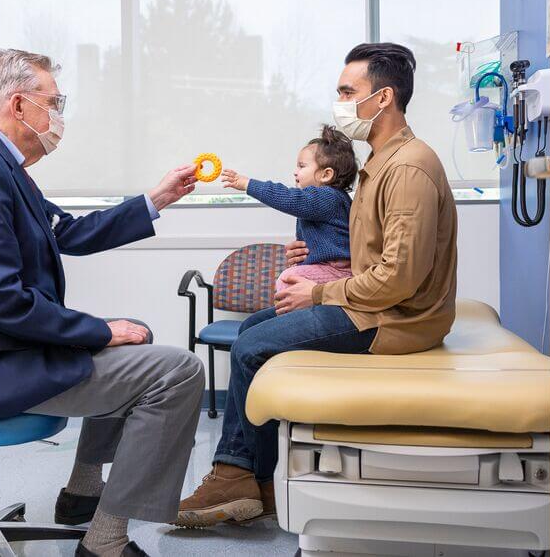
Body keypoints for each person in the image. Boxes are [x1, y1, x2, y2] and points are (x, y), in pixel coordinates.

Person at [0, 49, 205, 557]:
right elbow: (0, 302)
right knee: (178, 371)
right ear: (19, 105)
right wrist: (100, 332)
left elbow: (69, 231)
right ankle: (104, 542)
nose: (59, 116)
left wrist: (156, 199)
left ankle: (83, 491)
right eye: (54, 103)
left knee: (138, 331)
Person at [176, 42, 459, 528]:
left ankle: (234, 474)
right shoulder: (380, 164)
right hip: (374, 305)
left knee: (252, 347)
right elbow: (367, 251)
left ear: (384, 98)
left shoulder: (408, 168)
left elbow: (400, 278)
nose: (341, 102)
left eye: (349, 92)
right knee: (251, 331)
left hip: (396, 321)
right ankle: (257, 480)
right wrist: (315, 257)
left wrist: (317, 291)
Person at [220, 124, 357, 294]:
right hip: (327, 267)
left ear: (326, 175)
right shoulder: (319, 200)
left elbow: (290, 199)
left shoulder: (328, 197)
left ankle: (299, 317)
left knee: (288, 280)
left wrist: (248, 184)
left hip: (338, 271)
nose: (295, 172)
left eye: (302, 166)